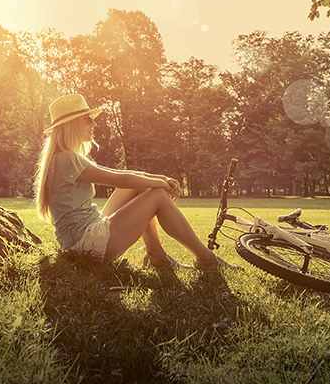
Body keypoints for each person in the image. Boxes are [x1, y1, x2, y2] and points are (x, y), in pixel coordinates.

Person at [34, 93, 236, 271]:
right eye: (88, 119)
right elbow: (120, 179)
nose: (94, 124)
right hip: (86, 243)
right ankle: (205, 258)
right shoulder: (66, 159)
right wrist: (163, 186)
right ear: (73, 124)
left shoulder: (62, 158)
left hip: (80, 238)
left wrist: (160, 179)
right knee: (156, 194)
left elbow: (125, 175)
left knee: (142, 186)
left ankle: (156, 255)